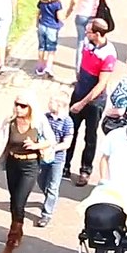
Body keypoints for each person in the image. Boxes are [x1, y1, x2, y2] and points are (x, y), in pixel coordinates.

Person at [0, 89, 54, 253]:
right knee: (14, 200)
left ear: (30, 107)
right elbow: (0, 141)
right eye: (16, 104)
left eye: (23, 105)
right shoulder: (10, 121)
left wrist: (36, 145)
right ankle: (18, 229)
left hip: (30, 165)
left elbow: (51, 140)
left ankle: (11, 241)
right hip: (13, 163)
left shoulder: (39, 121)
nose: (18, 108)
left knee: (19, 202)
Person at [66, 18, 116, 185]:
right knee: (70, 131)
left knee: (90, 136)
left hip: (94, 101)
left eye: (88, 32)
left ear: (97, 34)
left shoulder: (108, 54)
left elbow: (101, 84)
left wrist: (82, 103)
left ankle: (85, 170)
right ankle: (64, 165)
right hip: (79, 92)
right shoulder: (88, 43)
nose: (86, 34)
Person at [37, 91, 73, 227]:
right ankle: (50, 198)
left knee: (53, 185)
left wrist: (53, 148)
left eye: (51, 101)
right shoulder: (45, 117)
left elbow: (67, 143)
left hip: (57, 158)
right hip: (43, 156)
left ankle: (46, 214)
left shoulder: (67, 122)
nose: (48, 103)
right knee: (41, 180)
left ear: (59, 105)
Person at [34, 0, 66, 78]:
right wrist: (63, 21)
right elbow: (59, 16)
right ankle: (48, 67)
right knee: (51, 49)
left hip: (42, 26)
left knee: (41, 47)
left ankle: (40, 67)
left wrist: (37, 23)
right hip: (52, 28)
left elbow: (38, 13)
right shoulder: (57, 4)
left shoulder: (41, 2)